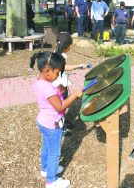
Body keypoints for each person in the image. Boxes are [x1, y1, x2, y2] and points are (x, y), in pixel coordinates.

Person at [30, 50, 83, 188]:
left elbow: (49, 99)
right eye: (57, 73)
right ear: (47, 71)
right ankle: (51, 181)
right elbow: (60, 107)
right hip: (52, 125)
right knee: (54, 152)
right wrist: (75, 95)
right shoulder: (48, 87)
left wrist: (58, 91)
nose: (58, 76)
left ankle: (45, 169)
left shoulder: (39, 82)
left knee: (47, 147)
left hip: (43, 121)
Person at [51, 32, 86, 135]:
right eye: (71, 45)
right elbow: (64, 67)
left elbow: (62, 67)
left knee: (62, 106)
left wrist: (78, 66)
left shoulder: (55, 53)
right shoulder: (61, 56)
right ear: (68, 46)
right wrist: (78, 66)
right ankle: (60, 127)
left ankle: (63, 121)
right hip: (60, 87)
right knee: (61, 107)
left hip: (58, 86)